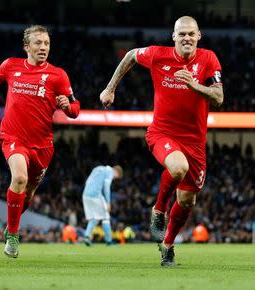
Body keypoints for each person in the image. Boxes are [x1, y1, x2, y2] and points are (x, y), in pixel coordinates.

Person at [100, 16, 223, 266]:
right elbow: (131, 56)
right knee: (178, 167)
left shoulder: (208, 59)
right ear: (173, 36)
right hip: (162, 132)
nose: (187, 38)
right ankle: (159, 210)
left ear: (199, 36)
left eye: (191, 34)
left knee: (188, 200)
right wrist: (110, 88)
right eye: (182, 34)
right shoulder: (158, 54)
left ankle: (167, 246)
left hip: (195, 142)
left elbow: (218, 97)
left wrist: (194, 85)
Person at [0, 25, 80, 258]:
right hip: (13, 137)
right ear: (26, 46)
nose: (43, 47)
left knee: (29, 192)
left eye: (47, 43)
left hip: (42, 145)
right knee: (19, 177)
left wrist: (67, 106)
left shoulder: (58, 75)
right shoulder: (11, 65)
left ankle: (11, 224)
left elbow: (75, 109)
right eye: (38, 43)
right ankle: (12, 236)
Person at [82, 165, 123, 246]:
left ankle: (86, 236)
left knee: (95, 218)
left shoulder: (98, 168)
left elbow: (88, 181)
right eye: (116, 177)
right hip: (95, 195)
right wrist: (108, 202)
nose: (114, 178)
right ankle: (109, 241)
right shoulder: (109, 172)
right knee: (106, 216)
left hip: (85, 195)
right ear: (117, 172)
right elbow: (106, 186)